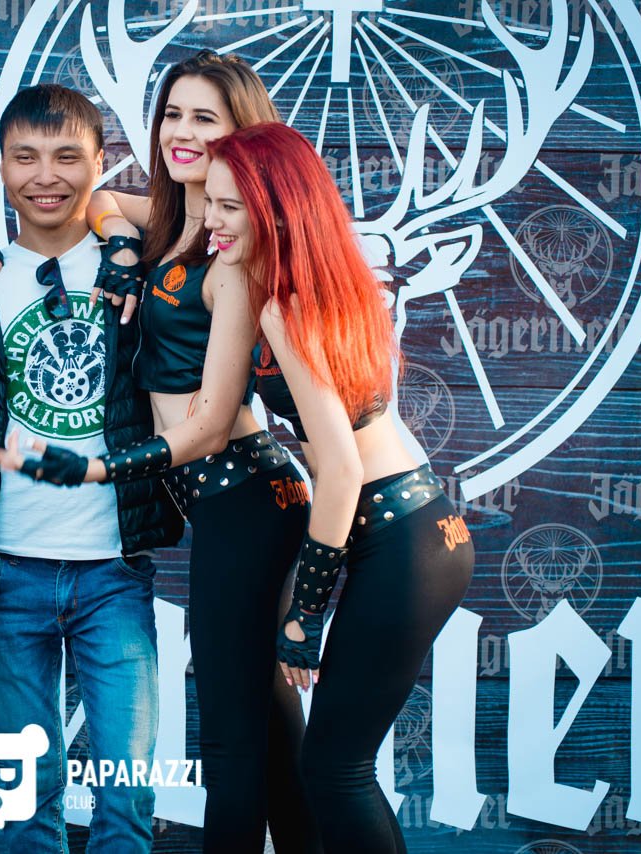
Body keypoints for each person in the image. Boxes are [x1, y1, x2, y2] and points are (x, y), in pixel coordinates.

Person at [2, 51, 318, 853]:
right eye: (172, 113)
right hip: (230, 499)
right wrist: (117, 244)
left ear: (243, 133)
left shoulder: (236, 248)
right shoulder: (179, 224)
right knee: (266, 715)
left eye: (205, 118)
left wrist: (104, 469)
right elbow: (105, 200)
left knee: (235, 732)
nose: (181, 132)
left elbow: (209, 425)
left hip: (244, 494)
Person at [0, 84, 183, 853]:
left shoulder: (142, 274)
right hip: (6, 572)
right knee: (23, 801)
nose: (46, 176)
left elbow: (209, 219)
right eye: (25, 157)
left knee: (127, 792)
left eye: (69, 157)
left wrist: (120, 237)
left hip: (114, 570)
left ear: (101, 165)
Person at [209, 121, 475, 854]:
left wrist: (305, 614)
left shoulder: (285, 306)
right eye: (209, 203)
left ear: (276, 211)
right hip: (424, 530)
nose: (211, 223)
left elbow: (343, 469)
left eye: (230, 207)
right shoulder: (332, 282)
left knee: (335, 770)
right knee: (338, 768)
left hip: (399, 539)